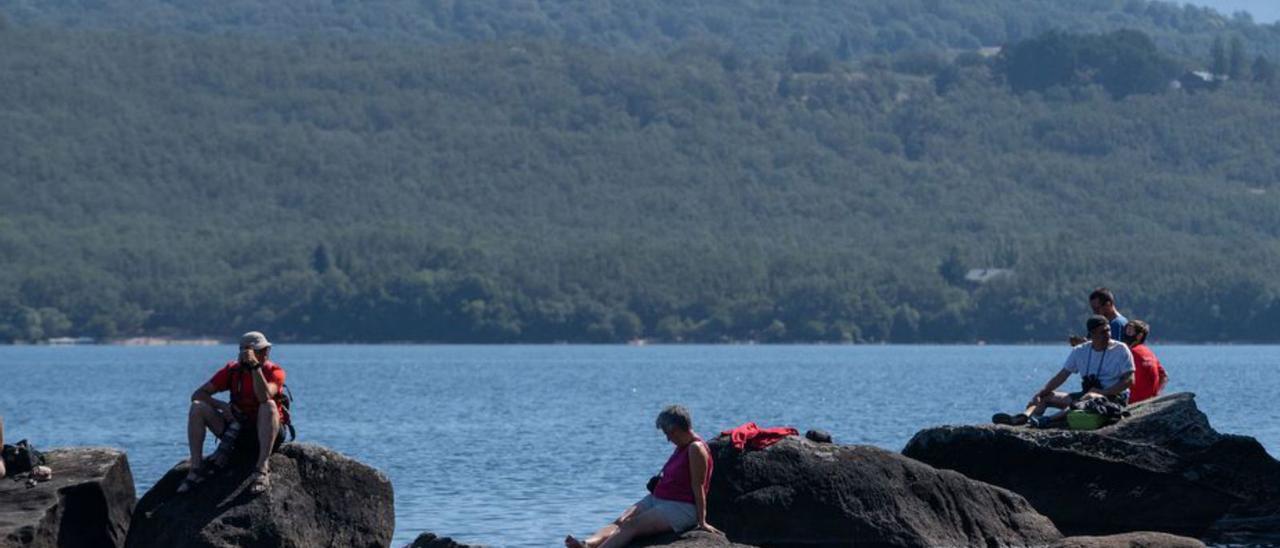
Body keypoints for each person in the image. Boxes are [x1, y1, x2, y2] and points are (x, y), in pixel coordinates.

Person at [565, 406, 723, 548]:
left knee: (631, 525)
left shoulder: (696, 448)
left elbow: (698, 485)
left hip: (680, 507)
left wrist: (702, 521)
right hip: (658, 499)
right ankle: (587, 544)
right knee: (621, 520)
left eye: (668, 433)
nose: (668, 439)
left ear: (676, 429)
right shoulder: (682, 446)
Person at [178, 331, 286, 494]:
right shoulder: (233, 371)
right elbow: (198, 394)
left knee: (268, 406)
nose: (266, 353)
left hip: (267, 433)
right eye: (260, 350)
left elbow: (264, 396)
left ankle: (262, 468)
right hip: (238, 431)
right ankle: (196, 468)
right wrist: (222, 406)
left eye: (266, 349)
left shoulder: (274, 371)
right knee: (197, 407)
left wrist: (255, 367)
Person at [995, 315, 1135, 428]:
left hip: (1113, 398)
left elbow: (1129, 380)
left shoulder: (1120, 349)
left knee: (1089, 397)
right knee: (1046, 396)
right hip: (1085, 396)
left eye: (1108, 330)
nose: (1108, 335)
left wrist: (1103, 392)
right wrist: (1041, 393)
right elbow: (1062, 376)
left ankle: (1048, 420)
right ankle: (1023, 417)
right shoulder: (1080, 351)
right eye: (1103, 332)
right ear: (1092, 334)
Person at [1125, 320, 1168, 404]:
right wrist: (1157, 393)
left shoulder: (1130, 352)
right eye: (1126, 331)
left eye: (1129, 332)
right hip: (1151, 400)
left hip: (1133, 402)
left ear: (1139, 336)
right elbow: (1164, 375)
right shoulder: (1150, 353)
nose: (1125, 334)